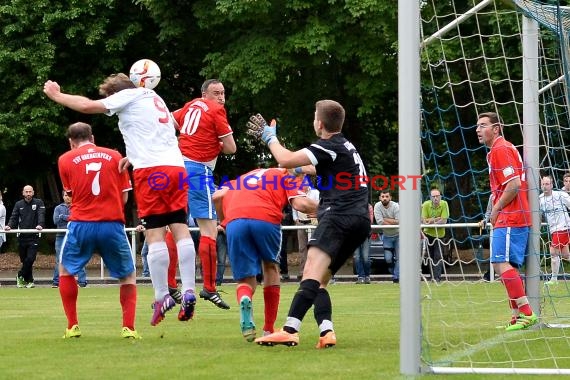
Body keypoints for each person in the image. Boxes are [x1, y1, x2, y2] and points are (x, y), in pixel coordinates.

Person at [44, 73, 198, 326]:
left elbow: (87, 106)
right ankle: (190, 288)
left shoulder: (127, 95)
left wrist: (56, 95)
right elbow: (165, 129)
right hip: (176, 168)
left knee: (155, 234)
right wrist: (133, 154)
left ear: (115, 94)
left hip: (151, 171)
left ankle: (162, 296)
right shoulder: (154, 97)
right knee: (180, 229)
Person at [250, 100, 371, 348]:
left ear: (320, 123)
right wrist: (299, 171)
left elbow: (284, 159)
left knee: (310, 271)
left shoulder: (327, 145)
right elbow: (326, 169)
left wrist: (269, 138)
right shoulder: (346, 145)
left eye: (314, 116)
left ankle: (289, 329)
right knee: (321, 281)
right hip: (360, 221)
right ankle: (327, 332)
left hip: (339, 216)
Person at [212, 167, 318, 342]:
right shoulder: (285, 175)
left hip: (235, 221)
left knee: (245, 279)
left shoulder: (245, 176)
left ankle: (245, 297)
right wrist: (329, 209)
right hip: (265, 217)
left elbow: (217, 197)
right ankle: (268, 329)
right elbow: (301, 205)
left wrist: (224, 222)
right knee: (270, 268)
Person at [56, 122, 139, 338]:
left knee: (66, 271)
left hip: (81, 223)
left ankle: (72, 326)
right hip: (111, 223)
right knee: (128, 276)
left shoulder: (65, 159)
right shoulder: (114, 155)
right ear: (92, 138)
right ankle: (128, 329)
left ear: (71, 142)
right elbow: (125, 195)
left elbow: (70, 194)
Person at [171, 79, 236, 310]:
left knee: (175, 223)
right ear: (205, 94)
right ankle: (209, 287)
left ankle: (170, 284)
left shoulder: (190, 106)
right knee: (209, 229)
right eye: (216, 93)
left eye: (223, 93)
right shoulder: (217, 110)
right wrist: (215, 142)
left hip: (176, 167)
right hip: (198, 170)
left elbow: (169, 119)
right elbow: (231, 148)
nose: (221, 97)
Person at [476, 111, 537, 331]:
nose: (478, 129)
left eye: (483, 125)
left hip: (512, 215)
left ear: (496, 128)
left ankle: (527, 313)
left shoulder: (501, 149)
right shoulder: (498, 150)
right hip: (512, 214)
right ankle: (516, 315)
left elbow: (513, 185)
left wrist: (496, 209)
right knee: (504, 265)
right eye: (477, 126)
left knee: (500, 264)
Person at [5, 185, 45, 288]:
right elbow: (14, 217)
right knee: (25, 260)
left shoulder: (38, 202)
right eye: (26, 192)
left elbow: (41, 214)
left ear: (33, 192)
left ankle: (19, 275)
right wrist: (9, 225)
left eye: (30, 192)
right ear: (23, 193)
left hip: (34, 236)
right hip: (22, 236)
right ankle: (30, 280)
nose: (28, 194)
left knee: (30, 258)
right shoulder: (19, 204)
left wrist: (40, 224)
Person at [539, 175, 570, 285]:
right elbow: (539, 215)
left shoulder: (560, 195)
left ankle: (554, 279)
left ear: (552, 185)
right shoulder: (540, 199)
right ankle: (554, 278)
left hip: (563, 227)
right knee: (566, 255)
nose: (545, 186)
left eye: (547, 184)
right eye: (543, 184)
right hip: (553, 230)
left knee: (553, 251)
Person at [52, 191, 87, 288]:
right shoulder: (58, 208)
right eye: (65, 195)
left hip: (75, 235)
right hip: (61, 236)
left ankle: (82, 282)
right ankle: (56, 282)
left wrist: (63, 217)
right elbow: (56, 221)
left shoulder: (77, 207)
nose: (67, 197)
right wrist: (70, 218)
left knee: (79, 257)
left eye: (69, 196)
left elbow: (78, 219)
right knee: (60, 258)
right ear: (63, 196)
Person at [292, 184, 320, 279]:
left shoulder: (315, 193)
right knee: (302, 248)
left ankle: (314, 271)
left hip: (312, 223)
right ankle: (303, 271)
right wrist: (296, 219)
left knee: (313, 247)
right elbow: (294, 207)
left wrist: (316, 218)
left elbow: (320, 206)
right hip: (301, 223)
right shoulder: (296, 193)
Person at [421, 187, 448, 283]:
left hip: (440, 235)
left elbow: (444, 220)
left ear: (440, 196)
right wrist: (437, 218)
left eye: (437, 196)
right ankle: (432, 276)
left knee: (438, 256)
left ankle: (437, 278)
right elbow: (424, 221)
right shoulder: (426, 205)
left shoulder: (444, 204)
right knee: (429, 256)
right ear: (430, 197)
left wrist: (430, 221)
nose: (436, 198)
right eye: (433, 196)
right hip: (428, 234)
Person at [375, 190, 400, 283]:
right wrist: (392, 221)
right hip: (386, 236)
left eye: (386, 196)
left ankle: (396, 277)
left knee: (399, 258)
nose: (384, 198)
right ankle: (394, 272)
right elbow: (379, 222)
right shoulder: (377, 206)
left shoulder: (396, 206)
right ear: (380, 198)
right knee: (388, 259)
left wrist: (385, 219)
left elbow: (399, 221)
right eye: (383, 196)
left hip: (398, 235)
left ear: (390, 198)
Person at [353, 203, 374, 284]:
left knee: (366, 257)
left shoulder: (368, 206)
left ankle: (367, 276)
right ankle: (360, 277)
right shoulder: (350, 206)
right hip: (354, 235)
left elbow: (370, 221)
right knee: (357, 257)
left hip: (366, 234)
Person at [279, 204, 295, 280]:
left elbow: (289, 210)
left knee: (282, 248)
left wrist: (285, 216)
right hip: (269, 221)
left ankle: (284, 272)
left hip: (282, 223)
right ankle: (259, 275)